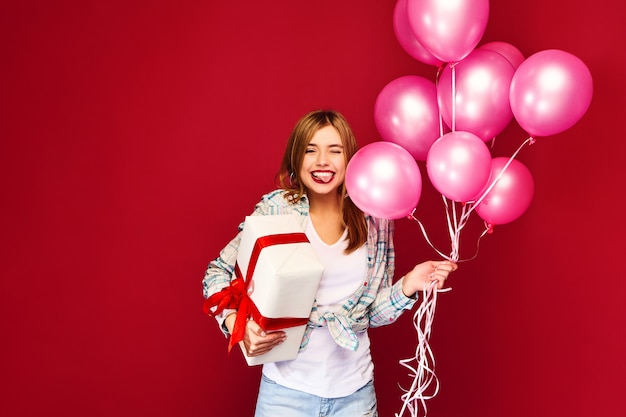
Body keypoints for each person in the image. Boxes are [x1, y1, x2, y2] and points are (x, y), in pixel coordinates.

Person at [202, 109, 457, 417]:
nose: (322, 161)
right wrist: (237, 325)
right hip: (285, 395)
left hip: (356, 396)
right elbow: (216, 273)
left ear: (351, 158)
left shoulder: (375, 219)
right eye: (311, 150)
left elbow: (370, 314)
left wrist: (408, 285)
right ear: (297, 158)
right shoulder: (277, 210)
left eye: (335, 151)